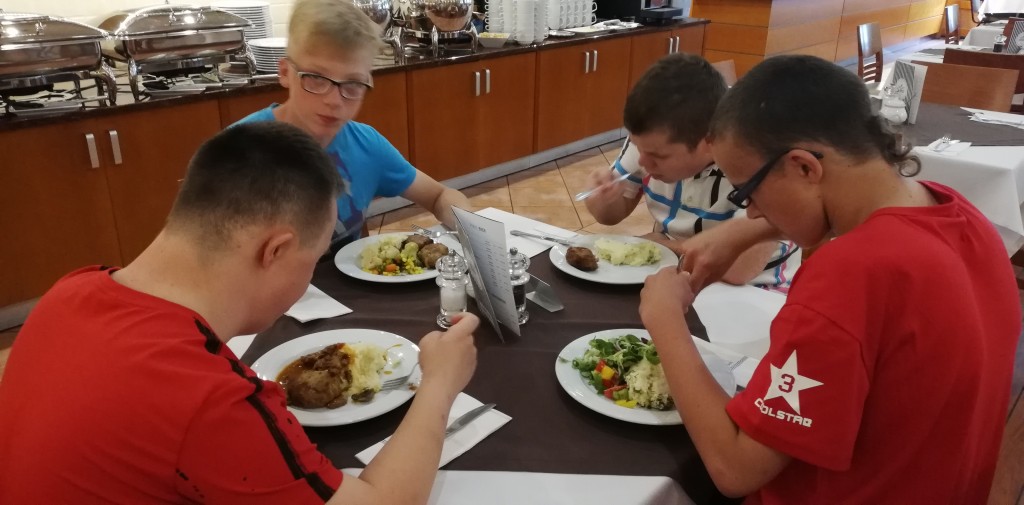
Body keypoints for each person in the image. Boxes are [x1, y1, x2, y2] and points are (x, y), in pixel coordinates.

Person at [0, 122, 479, 505]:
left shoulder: (70, 290)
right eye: (313, 260)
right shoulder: (206, 399)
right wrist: (439, 384)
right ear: (275, 251)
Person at [638, 55, 1021, 503]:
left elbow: (734, 469)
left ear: (804, 167)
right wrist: (747, 231)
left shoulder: (850, 275)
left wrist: (666, 320)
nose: (753, 212)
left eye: (747, 193)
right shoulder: (963, 215)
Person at [235, 0, 472, 253]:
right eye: (316, 78)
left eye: (353, 84)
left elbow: (440, 196)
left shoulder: (366, 145)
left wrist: (475, 235)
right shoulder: (237, 153)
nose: (334, 101)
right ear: (284, 73)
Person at [584, 53, 799, 290]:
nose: (643, 162)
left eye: (659, 156)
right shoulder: (651, 140)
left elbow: (738, 270)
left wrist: (663, 245)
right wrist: (602, 199)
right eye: (638, 147)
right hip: (677, 273)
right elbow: (610, 215)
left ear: (708, 141)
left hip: (755, 290)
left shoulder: (758, 160)